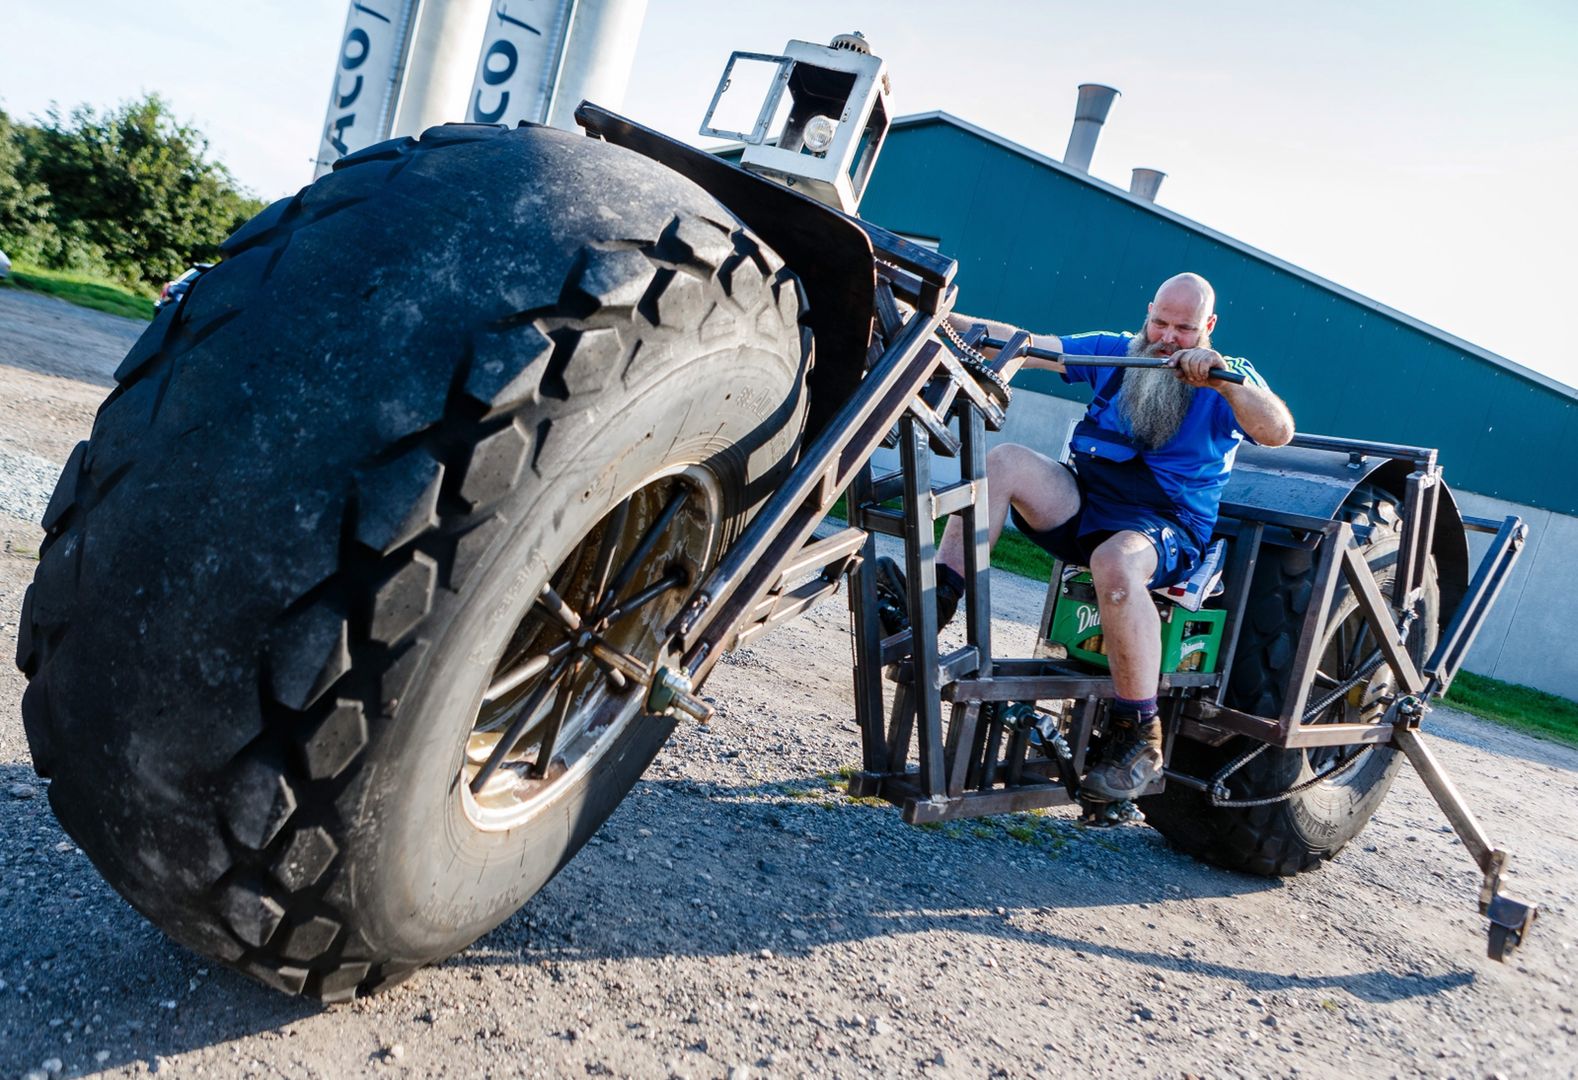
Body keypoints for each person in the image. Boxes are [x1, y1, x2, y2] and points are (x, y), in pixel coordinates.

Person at [875, 272, 1294, 802]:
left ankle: (1138, 737)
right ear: (1148, 313)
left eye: (1183, 329)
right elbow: (1026, 345)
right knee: (1003, 463)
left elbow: (1278, 430)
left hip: (1164, 523)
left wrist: (1224, 382)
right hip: (1088, 504)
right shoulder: (1119, 353)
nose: (1167, 338)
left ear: (1208, 327)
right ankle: (931, 606)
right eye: (1160, 322)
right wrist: (926, 313)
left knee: (1116, 565)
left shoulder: (1229, 377)